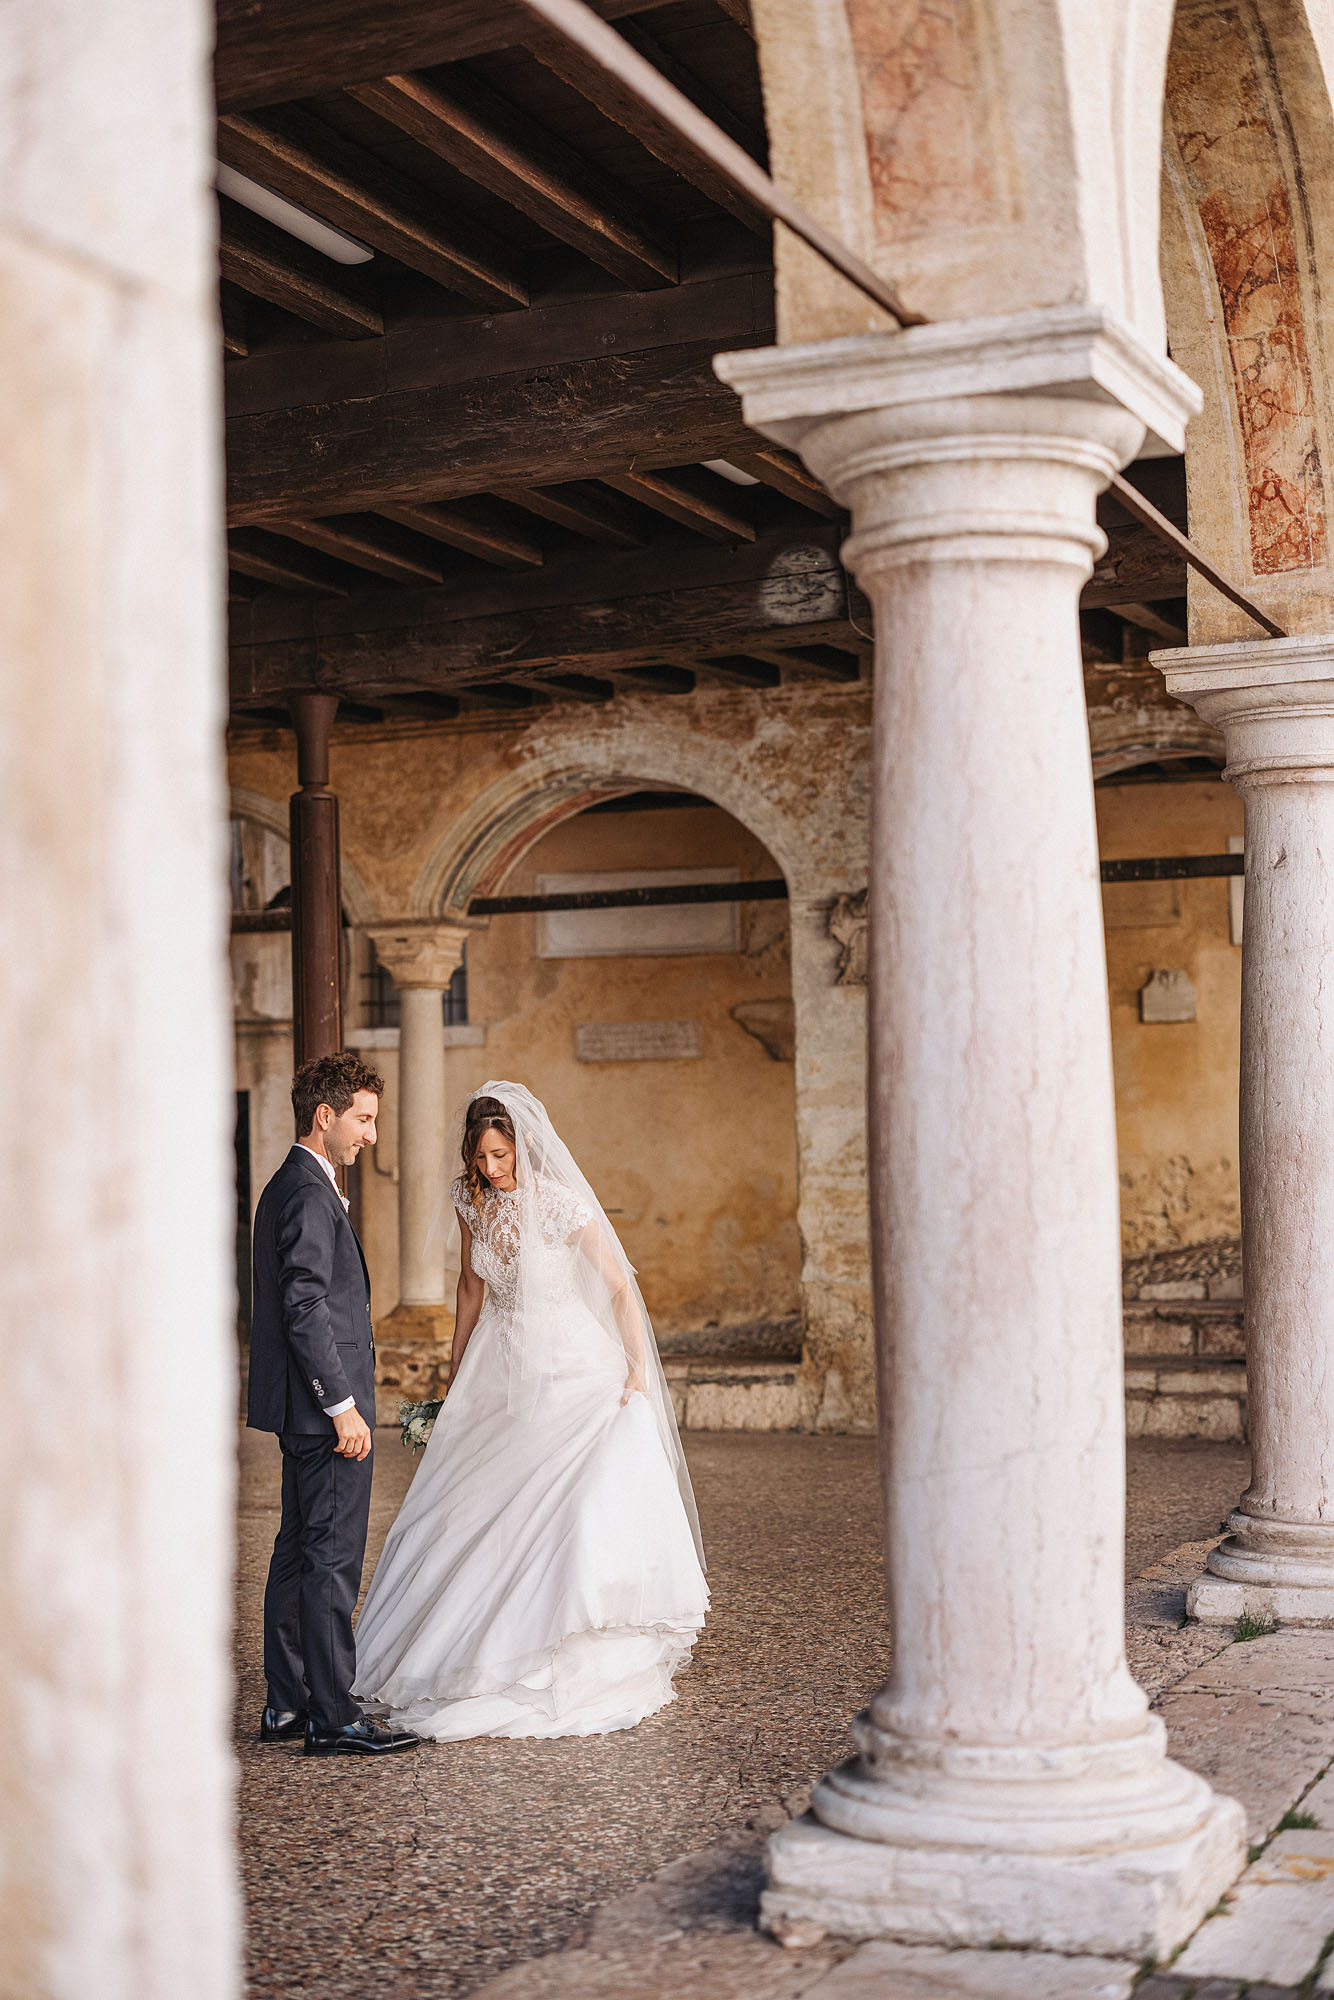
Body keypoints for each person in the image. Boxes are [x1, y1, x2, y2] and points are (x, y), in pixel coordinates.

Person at [353, 1080, 708, 1740]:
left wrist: (635, 1365)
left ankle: (561, 1640)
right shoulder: (470, 1199)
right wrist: (455, 1376)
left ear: (522, 1148)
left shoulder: (562, 1207)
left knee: (574, 1501)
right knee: (470, 1508)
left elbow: (620, 1289)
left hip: (573, 1367)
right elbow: (467, 1289)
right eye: (482, 1158)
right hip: (497, 1364)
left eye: (502, 1157)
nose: (492, 1170)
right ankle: (459, 1644)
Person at [248, 1050, 419, 1759]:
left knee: (295, 1551)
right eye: (364, 1119)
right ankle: (332, 1715)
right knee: (330, 1557)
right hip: (326, 1412)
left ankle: (287, 1705)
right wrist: (343, 1405)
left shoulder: (288, 1185)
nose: (370, 1136)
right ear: (326, 1117)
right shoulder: (310, 1193)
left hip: (299, 1409)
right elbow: (305, 1303)